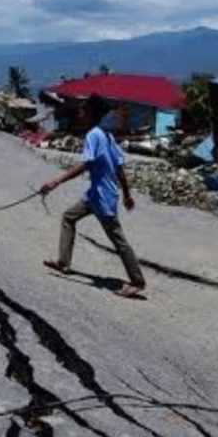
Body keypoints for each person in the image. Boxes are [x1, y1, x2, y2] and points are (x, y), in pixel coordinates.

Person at [39, 95, 146, 299]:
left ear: (91, 114)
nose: (81, 113)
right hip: (95, 195)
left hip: (102, 197)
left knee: (118, 240)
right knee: (69, 217)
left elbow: (85, 164)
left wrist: (56, 181)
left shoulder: (94, 135)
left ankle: (137, 281)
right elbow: (119, 168)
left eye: (84, 110)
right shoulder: (107, 135)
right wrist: (126, 195)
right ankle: (63, 262)